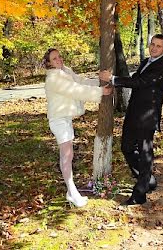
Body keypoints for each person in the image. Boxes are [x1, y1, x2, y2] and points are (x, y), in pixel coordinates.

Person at [99, 34, 163, 205]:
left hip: (147, 116)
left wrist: (113, 79)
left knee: (145, 152)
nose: (154, 48)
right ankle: (147, 180)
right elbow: (135, 80)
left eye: (158, 46)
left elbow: (141, 82)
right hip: (133, 112)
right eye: (152, 44)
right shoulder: (147, 61)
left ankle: (139, 193)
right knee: (126, 147)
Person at [43, 48, 112, 208]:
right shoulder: (53, 78)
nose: (59, 59)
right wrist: (101, 92)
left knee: (69, 154)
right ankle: (72, 191)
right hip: (58, 120)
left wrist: (99, 82)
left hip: (65, 118)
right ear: (48, 63)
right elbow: (76, 90)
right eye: (54, 59)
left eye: (59, 56)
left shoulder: (65, 71)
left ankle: (71, 190)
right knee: (67, 155)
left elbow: (81, 82)